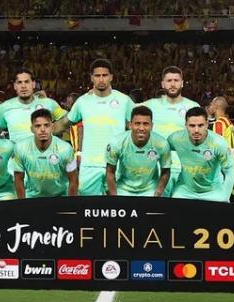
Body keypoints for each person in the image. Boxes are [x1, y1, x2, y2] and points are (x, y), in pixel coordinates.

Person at [54, 58, 134, 196]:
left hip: (117, 163)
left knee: (118, 209)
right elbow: (65, 123)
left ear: (111, 77)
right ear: (92, 78)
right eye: (97, 75)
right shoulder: (83, 101)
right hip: (89, 164)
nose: (101, 79)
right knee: (88, 209)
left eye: (104, 75)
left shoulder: (124, 100)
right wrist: (45, 131)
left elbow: (137, 126)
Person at [141, 66, 200, 197]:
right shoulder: (150, 105)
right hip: (156, 169)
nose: (172, 84)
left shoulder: (193, 106)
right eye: (169, 81)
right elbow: (126, 112)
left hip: (185, 169)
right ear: (163, 83)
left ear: (182, 83)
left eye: (176, 80)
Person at [168, 107, 234, 202]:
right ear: (186, 125)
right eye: (192, 126)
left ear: (207, 124)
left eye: (200, 125)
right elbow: (161, 150)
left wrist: (225, 197)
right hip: (184, 192)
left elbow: (229, 171)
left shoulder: (218, 143)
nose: (196, 130)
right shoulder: (176, 139)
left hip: (213, 192)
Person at [106, 106, 171, 197]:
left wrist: (158, 193)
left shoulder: (161, 144)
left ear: (152, 126)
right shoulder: (116, 143)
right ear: (130, 125)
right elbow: (110, 172)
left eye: (146, 124)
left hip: (150, 189)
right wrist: (114, 197)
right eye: (137, 123)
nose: (141, 128)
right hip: (123, 188)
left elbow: (166, 171)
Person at [13, 109, 78, 198]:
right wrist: (22, 205)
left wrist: (71, 205)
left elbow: (73, 180)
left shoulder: (65, 149)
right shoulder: (20, 148)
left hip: (60, 196)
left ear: (52, 127)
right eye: (38, 126)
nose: (42, 129)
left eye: (46, 125)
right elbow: (18, 179)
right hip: (32, 197)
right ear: (32, 129)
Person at [0, 68, 67, 143]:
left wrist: (54, 130)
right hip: (16, 154)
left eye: (27, 82)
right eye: (19, 82)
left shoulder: (49, 103)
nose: (23, 86)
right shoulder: (5, 107)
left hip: (44, 153)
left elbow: (67, 120)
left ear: (33, 84)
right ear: (15, 86)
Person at [210, 96, 234, 204]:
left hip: (222, 163)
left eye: (211, 104)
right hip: (230, 161)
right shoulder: (229, 123)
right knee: (223, 193)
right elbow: (233, 144)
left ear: (216, 106)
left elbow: (218, 145)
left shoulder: (219, 123)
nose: (209, 106)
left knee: (220, 194)